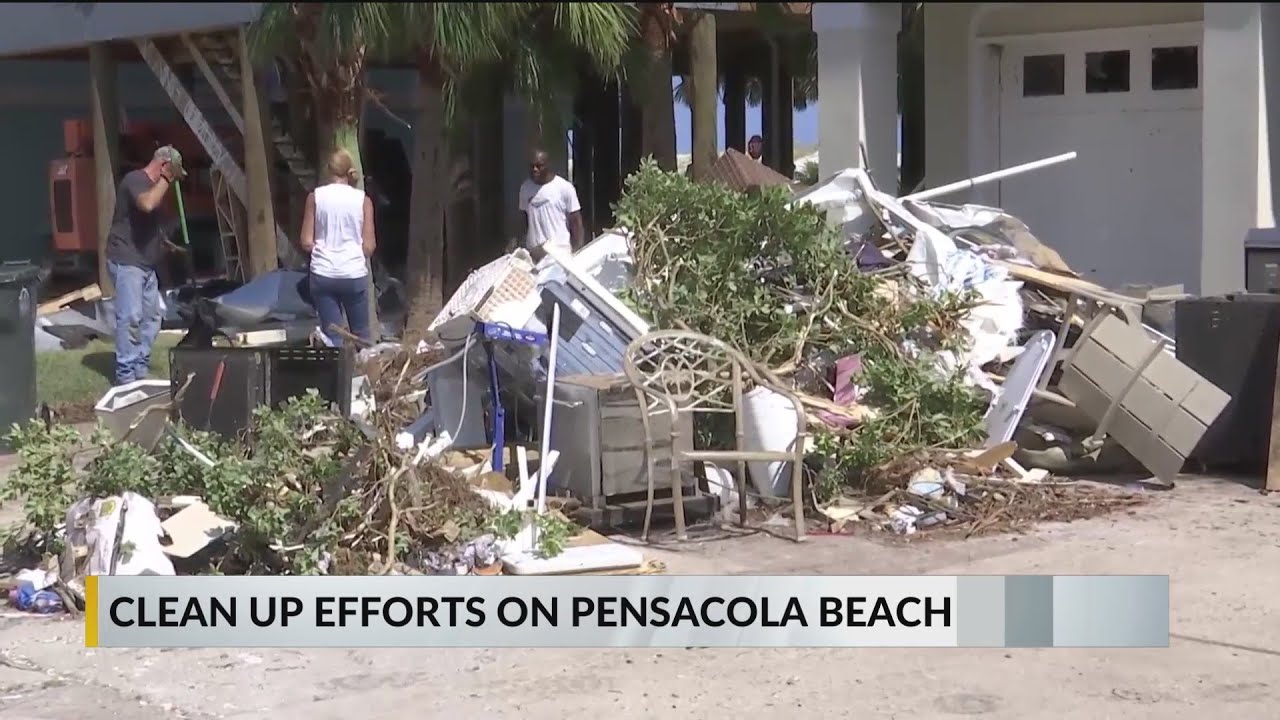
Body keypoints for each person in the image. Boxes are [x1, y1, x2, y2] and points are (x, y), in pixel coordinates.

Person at [105, 145, 187, 386]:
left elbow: (150, 223)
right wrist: (165, 179)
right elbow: (146, 205)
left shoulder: (154, 189)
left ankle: (140, 367)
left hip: (146, 264)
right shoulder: (135, 180)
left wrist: (166, 244)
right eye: (172, 174)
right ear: (164, 166)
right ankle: (126, 375)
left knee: (153, 317)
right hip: (127, 260)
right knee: (131, 316)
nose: (172, 182)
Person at [300, 149, 377, 347]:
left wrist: (323, 247)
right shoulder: (363, 200)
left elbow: (306, 241)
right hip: (353, 273)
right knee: (362, 335)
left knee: (332, 336)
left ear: (328, 170)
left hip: (323, 273)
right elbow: (369, 246)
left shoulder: (315, 197)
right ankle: (365, 373)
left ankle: (336, 375)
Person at [518, 149, 584, 260]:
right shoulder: (525, 188)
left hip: (559, 253)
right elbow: (524, 219)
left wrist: (578, 250)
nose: (535, 169)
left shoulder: (564, 188)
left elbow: (576, 221)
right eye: (532, 166)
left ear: (548, 165)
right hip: (535, 254)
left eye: (539, 166)